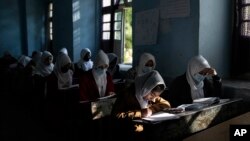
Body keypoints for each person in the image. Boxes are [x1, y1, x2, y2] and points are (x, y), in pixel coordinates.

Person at [111, 70, 171, 140]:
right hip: (126, 131)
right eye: (152, 95)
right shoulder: (126, 95)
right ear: (146, 88)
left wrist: (151, 110)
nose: (153, 99)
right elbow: (116, 116)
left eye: (156, 96)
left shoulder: (151, 97)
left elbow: (166, 104)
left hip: (143, 128)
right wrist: (140, 113)